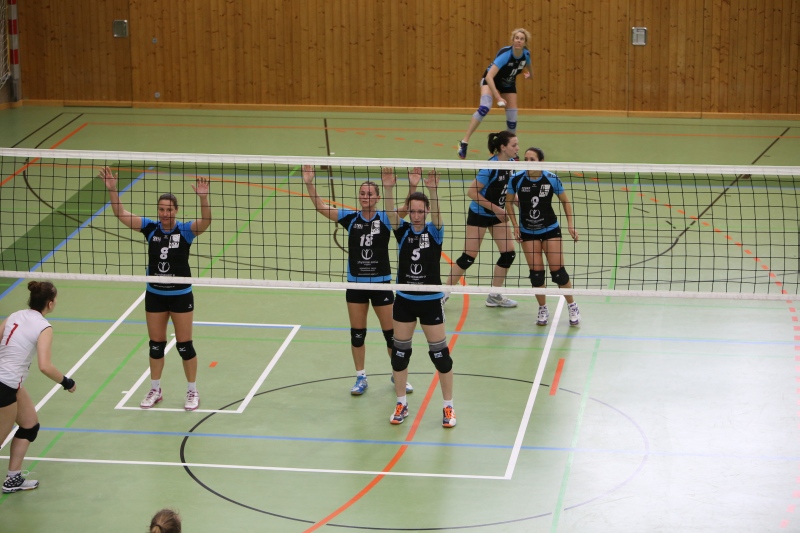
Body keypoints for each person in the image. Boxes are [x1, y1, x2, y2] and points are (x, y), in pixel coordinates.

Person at [100, 167, 211, 411]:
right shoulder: (150, 228)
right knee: (155, 344)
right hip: (155, 295)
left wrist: (203, 198)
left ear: (176, 210)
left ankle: (192, 390)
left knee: (184, 345)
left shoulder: (185, 231)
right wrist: (113, 189)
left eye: (169, 210)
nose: (164, 214)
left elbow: (206, 222)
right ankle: (155, 389)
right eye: (161, 209)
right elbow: (120, 213)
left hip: (180, 295)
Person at [302, 165, 417, 396]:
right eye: (362, 193)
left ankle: (397, 374)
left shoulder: (386, 217)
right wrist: (309, 182)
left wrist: (413, 185)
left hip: (381, 283)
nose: (365, 197)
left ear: (377, 198)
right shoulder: (350, 218)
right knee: (357, 334)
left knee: (391, 335)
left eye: (370, 194)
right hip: (356, 284)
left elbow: (407, 208)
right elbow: (321, 207)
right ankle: (360, 376)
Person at [384, 169, 456, 428]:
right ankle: (401, 403)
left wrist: (433, 190)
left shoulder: (435, 232)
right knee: (399, 355)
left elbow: (437, 215)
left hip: (430, 301)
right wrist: (388, 188)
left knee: (441, 357)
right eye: (412, 211)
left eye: (420, 211)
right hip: (404, 299)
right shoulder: (402, 231)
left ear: (426, 211)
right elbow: (391, 214)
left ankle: (448, 406)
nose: (415, 215)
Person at [0, 281, 76, 493]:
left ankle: (13, 478)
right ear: (50, 303)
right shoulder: (44, 327)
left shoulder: (15, 315)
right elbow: (45, 366)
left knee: (29, 425)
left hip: (11, 383)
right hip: (5, 386)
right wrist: (67, 382)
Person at [506, 147, 581, 326]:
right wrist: (515, 225)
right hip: (527, 231)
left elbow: (565, 201)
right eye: (525, 159)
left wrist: (570, 224)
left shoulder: (551, 178)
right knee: (536, 275)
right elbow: (508, 202)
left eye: (532, 159)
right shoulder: (516, 179)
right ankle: (543, 308)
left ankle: (572, 305)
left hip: (550, 229)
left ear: (541, 162)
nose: (528, 162)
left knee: (559, 273)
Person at [446, 131, 519, 308]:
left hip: (497, 214)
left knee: (508, 254)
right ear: (503, 147)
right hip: (480, 214)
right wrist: (497, 209)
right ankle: (443, 294)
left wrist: (521, 205)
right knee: (468, 257)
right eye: (514, 145)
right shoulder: (489, 167)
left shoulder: (512, 164)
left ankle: (494, 295)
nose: (518, 148)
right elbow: (472, 192)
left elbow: (507, 191)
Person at [457, 28, 533, 160]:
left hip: (508, 83)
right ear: (513, 40)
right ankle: (464, 142)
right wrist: (497, 97)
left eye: (521, 39)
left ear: (525, 42)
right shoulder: (505, 55)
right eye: (516, 38)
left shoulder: (526, 54)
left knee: (512, 119)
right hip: (490, 80)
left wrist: (529, 74)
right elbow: (489, 77)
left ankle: (511, 150)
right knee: (484, 107)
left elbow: (527, 67)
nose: (518, 41)